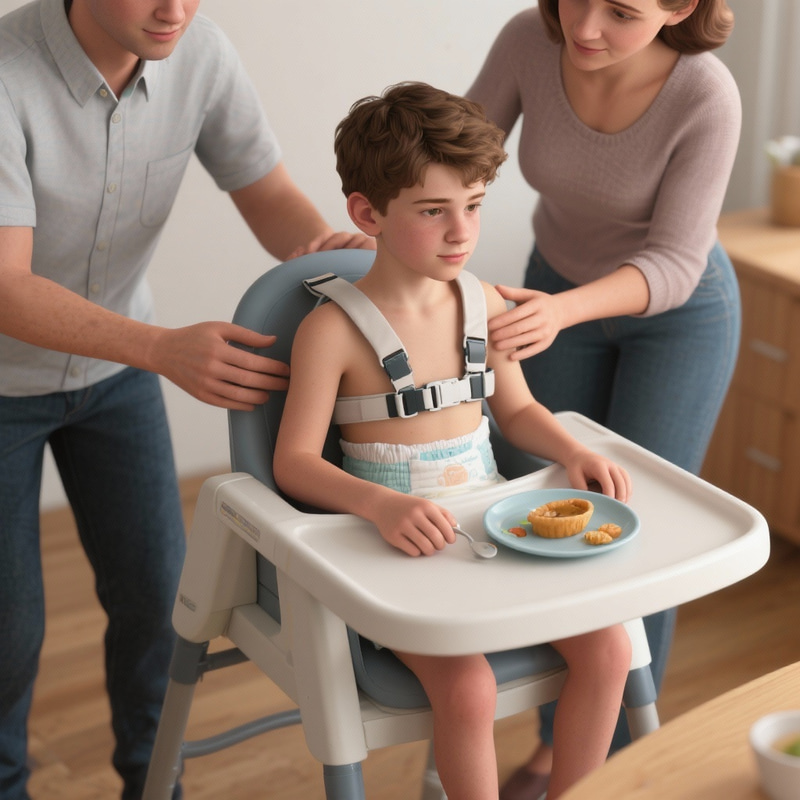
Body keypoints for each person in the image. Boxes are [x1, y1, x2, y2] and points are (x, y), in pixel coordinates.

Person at [0, 1, 371, 798]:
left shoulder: (198, 52)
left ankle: (152, 779)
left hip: (114, 374)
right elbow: (5, 286)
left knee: (159, 599)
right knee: (7, 631)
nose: (174, 9)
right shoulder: (4, 73)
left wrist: (326, 259)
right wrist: (162, 350)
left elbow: (266, 191)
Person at [273, 81, 635, 800]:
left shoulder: (487, 304)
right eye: (433, 211)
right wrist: (379, 507)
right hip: (398, 552)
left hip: (495, 529)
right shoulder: (332, 330)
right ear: (367, 213)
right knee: (466, 690)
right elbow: (294, 463)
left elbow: (521, 412)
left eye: (473, 206)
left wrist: (570, 450)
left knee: (612, 646)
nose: (460, 232)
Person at [465, 2, 742, 797]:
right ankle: (559, 745)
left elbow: (677, 263)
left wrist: (560, 310)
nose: (583, 28)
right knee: (549, 510)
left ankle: (617, 764)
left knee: (637, 533)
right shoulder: (529, 38)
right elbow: (455, 152)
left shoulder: (705, 95)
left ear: (679, 6)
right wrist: (390, 221)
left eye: (619, 12)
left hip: (676, 318)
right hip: (551, 292)